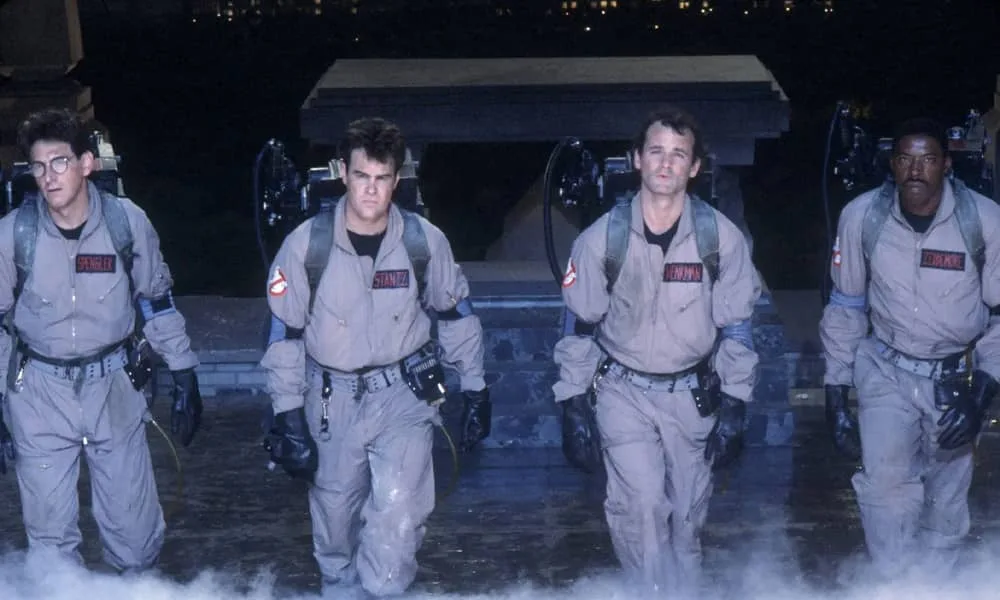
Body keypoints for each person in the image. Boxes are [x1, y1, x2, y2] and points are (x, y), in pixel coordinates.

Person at [260, 117, 492, 598]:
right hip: (331, 401)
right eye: (362, 176)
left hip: (403, 398)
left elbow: (454, 315)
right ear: (342, 172)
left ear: (397, 180)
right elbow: (283, 335)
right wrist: (286, 415)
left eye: (383, 178)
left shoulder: (424, 242)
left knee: (398, 516)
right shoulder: (306, 246)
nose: (371, 190)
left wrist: (475, 388)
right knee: (335, 520)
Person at [552, 106, 761, 595]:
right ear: (636, 161)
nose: (666, 164)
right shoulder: (602, 239)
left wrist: (736, 403)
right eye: (656, 152)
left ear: (694, 168)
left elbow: (738, 332)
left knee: (686, 521)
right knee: (642, 508)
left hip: (692, 396)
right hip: (624, 392)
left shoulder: (721, 241)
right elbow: (579, 328)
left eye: (679, 155)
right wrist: (573, 404)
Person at [0, 107, 203, 573]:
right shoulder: (15, 236)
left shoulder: (126, 224)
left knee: (135, 537)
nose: (48, 178)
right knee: (50, 540)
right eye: (38, 166)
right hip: (39, 394)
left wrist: (184, 372)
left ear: (87, 163)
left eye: (60, 162)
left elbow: (156, 301)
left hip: (114, 386)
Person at [821, 117, 1000, 581]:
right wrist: (836, 389)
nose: (916, 169)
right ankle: (893, 584)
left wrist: (983, 389)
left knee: (945, 498)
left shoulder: (984, 221)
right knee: (885, 490)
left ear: (946, 165)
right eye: (906, 159)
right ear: (892, 164)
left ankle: (934, 585)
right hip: (886, 369)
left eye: (928, 159)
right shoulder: (863, 216)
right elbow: (845, 305)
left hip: (955, 377)